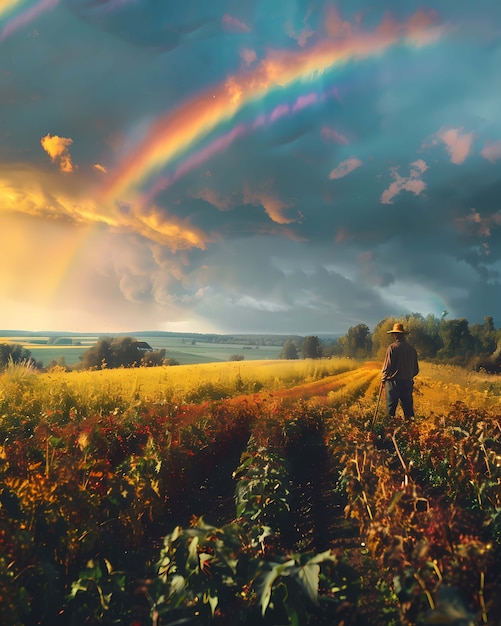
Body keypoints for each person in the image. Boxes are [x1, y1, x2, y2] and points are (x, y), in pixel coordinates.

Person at [381, 322, 419, 419]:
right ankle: (411, 431)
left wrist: (383, 380)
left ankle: (389, 432)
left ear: (395, 335)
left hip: (393, 383)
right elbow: (416, 370)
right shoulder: (412, 349)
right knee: (408, 410)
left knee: (390, 411)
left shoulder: (392, 348)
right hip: (407, 382)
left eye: (394, 334)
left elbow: (387, 366)